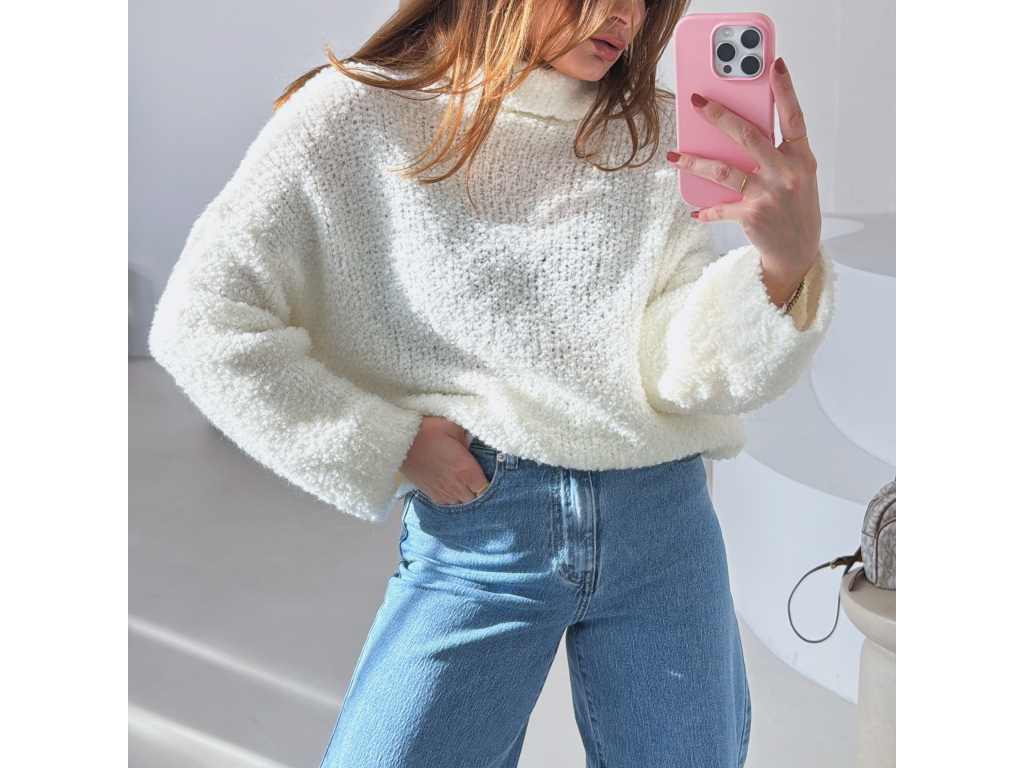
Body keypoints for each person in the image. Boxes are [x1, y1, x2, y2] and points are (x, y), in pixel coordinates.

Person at [149, 0, 834, 765]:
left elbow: (673, 362)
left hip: (665, 528)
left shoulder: (657, 132)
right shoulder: (357, 114)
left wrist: (784, 269)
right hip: (486, 532)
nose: (626, 15)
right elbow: (201, 321)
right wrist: (387, 442)